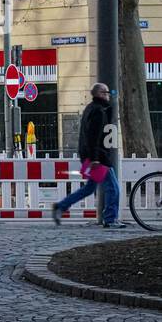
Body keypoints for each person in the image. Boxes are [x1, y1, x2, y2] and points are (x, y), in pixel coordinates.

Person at [51, 82, 124, 227]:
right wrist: (95, 158)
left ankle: (60, 206)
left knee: (89, 188)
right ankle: (110, 219)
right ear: (100, 94)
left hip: (88, 156)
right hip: (98, 158)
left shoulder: (91, 108)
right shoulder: (98, 111)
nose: (108, 95)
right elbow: (94, 136)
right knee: (113, 188)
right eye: (106, 93)